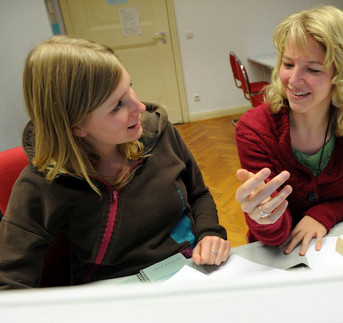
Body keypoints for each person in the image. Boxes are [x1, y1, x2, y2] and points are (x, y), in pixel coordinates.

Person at [0, 36, 230, 289]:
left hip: (189, 271)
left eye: (129, 87)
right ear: (76, 126)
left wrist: (210, 232)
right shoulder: (40, 184)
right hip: (115, 293)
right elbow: (10, 281)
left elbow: (199, 193)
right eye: (117, 105)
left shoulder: (159, 133)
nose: (140, 106)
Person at [235, 5, 343, 256]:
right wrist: (265, 216)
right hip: (277, 258)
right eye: (288, 64)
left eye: (313, 69)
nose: (294, 80)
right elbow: (274, 238)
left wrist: (324, 214)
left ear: (342, 75)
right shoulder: (255, 130)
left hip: (335, 256)